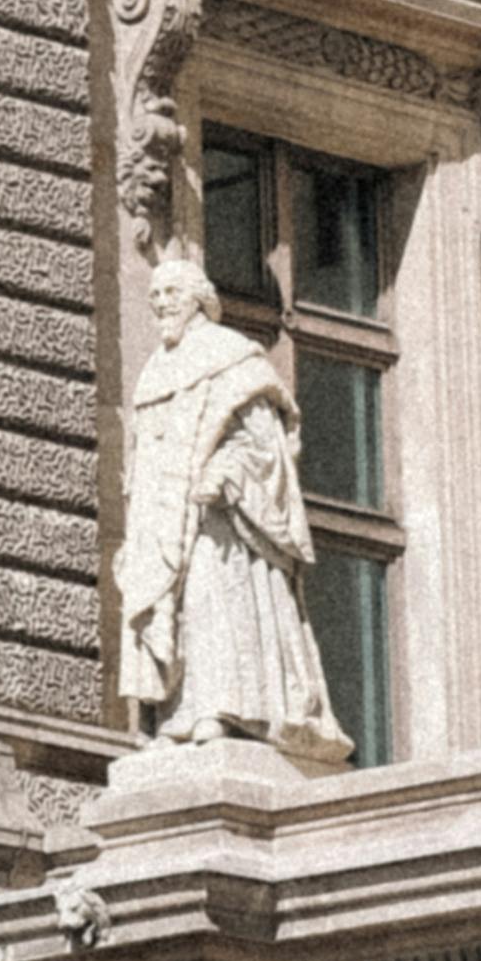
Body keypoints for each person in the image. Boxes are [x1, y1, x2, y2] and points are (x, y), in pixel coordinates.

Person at [114, 244, 347, 759]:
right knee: (173, 612)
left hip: (222, 524)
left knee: (211, 602)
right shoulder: (154, 371)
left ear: (198, 299)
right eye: (153, 295)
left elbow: (267, 447)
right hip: (163, 518)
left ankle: (218, 709)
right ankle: (178, 712)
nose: (160, 304)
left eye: (171, 293)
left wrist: (226, 472)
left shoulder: (232, 356)